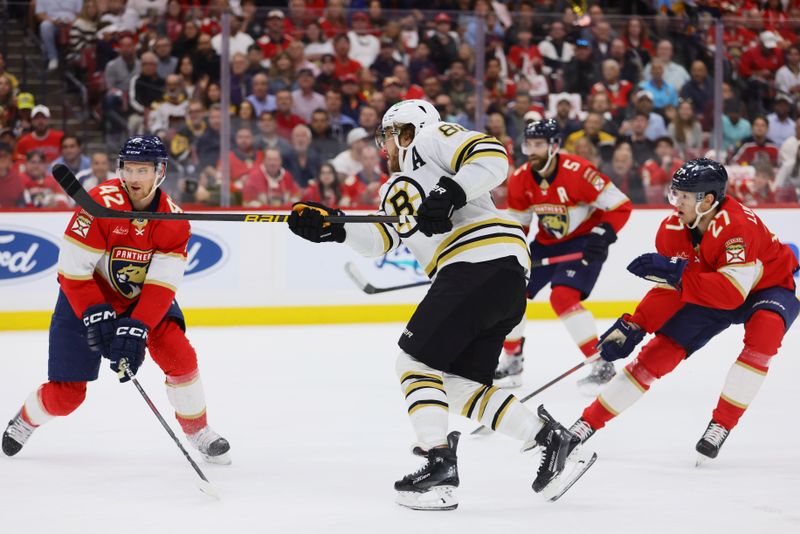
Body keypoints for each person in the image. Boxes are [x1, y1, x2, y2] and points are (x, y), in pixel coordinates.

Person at [287, 100, 595, 510]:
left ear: (411, 129)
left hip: (477, 262)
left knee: (413, 365)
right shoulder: (397, 185)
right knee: (453, 385)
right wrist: (333, 227)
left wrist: (449, 192)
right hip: (498, 276)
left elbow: (492, 156)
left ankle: (438, 466)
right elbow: (383, 239)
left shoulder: (432, 140)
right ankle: (552, 438)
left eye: (391, 134)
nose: (385, 146)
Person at [2, 136, 232, 465]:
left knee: (180, 355)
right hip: (84, 295)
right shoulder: (99, 203)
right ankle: (25, 419)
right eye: (129, 168)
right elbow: (71, 270)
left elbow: (162, 283)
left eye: (144, 170)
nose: (134, 178)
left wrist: (137, 327)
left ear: (160, 172)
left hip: (141, 298)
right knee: (68, 396)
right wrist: (96, 314)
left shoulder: (174, 221)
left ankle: (197, 430)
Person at [565, 158, 798, 466]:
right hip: (710, 287)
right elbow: (670, 291)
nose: (676, 203)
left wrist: (677, 274)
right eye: (675, 194)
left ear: (709, 200)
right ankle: (586, 424)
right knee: (656, 354)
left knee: (765, 332)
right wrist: (636, 325)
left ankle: (722, 424)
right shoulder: (672, 229)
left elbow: (731, 294)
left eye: (685, 196)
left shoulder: (736, 227)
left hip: (765, 287)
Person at [496, 119, 632, 392]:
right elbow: (519, 225)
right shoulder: (521, 178)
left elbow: (620, 206)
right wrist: (510, 253)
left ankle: (601, 363)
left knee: (563, 296)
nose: (531, 150)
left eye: (538, 144)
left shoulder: (579, 172)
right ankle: (512, 359)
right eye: (528, 144)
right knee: (509, 291)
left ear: (554, 146)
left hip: (583, 243)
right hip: (547, 244)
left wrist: (602, 235)